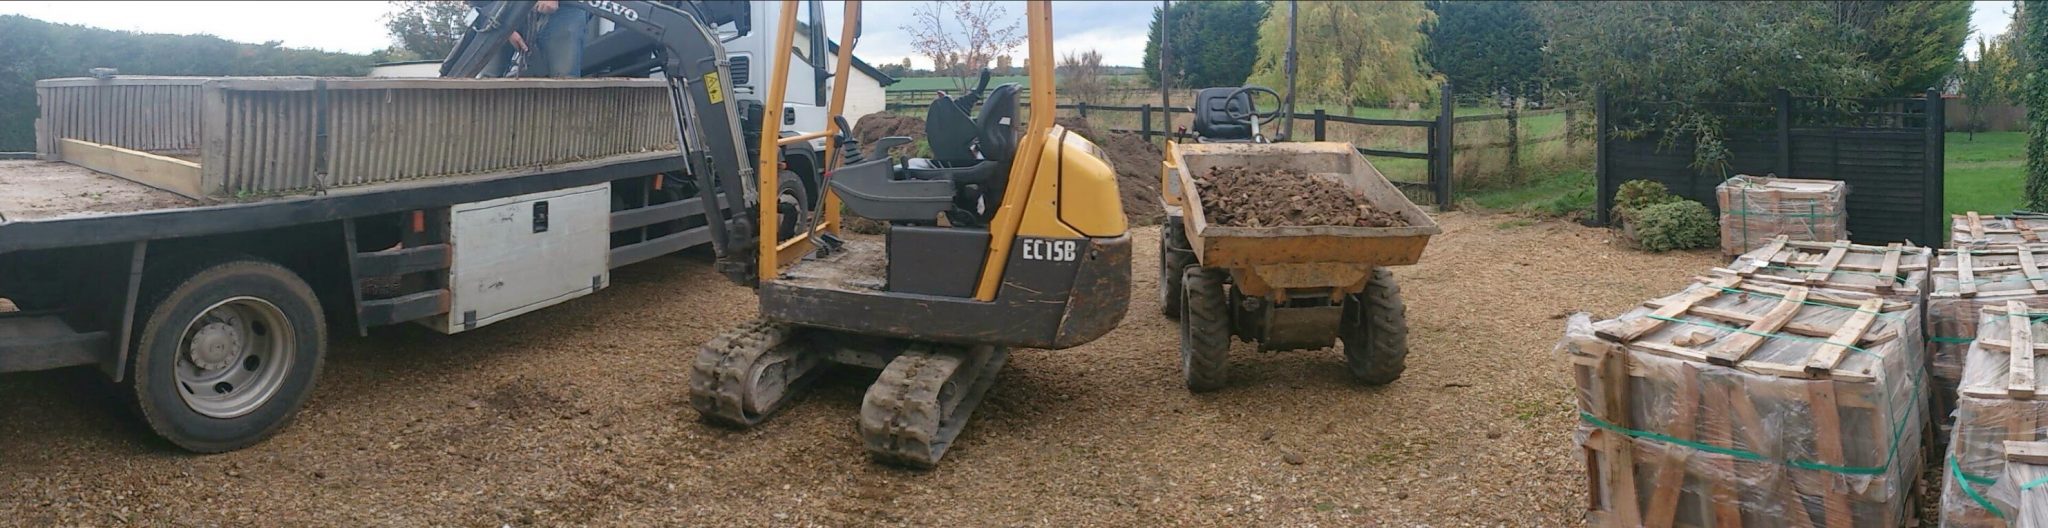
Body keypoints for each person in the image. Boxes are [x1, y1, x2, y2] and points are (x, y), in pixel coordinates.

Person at [482, 0, 590, 78]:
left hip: (564, 8)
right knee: (485, 79)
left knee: (565, 80)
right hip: (505, 9)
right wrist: (503, 26)